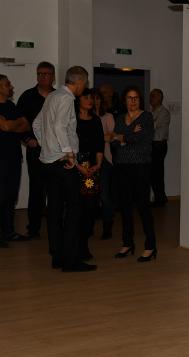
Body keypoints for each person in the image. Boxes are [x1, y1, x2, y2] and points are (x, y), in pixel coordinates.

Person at [33, 66, 96, 272]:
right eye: (85, 83)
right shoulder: (67, 98)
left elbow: (36, 124)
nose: (84, 87)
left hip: (48, 162)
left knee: (54, 210)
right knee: (74, 210)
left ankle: (58, 257)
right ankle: (70, 261)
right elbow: (60, 127)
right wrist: (68, 153)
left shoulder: (52, 96)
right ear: (79, 82)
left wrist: (46, 145)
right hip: (63, 162)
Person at [112, 87, 157, 262]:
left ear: (140, 100)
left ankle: (150, 246)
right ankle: (127, 243)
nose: (133, 101)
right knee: (125, 207)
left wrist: (122, 137)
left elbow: (143, 139)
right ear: (124, 101)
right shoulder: (119, 118)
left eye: (136, 98)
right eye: (129, 98)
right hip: (122, 166)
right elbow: (113, 143)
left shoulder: (146, 117)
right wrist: (129, 134)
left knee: (143, 206)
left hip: (140, 166)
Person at [17, 61, 56, 239]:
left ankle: (56, 226)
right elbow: (19, 123)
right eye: (39, 73)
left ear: (53, 76)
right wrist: (27, 139)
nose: (42, 77)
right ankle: (33, 228)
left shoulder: (58, 96)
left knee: (55, 189)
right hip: (35, 151)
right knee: (36, 189)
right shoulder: (27, 96)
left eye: (46, 73)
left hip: (56, 152)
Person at [0, 74, 30, 247]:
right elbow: (5, 126)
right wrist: (14, 124)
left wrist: (12, 124)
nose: (11, 86)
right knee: (1, 196)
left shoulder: (11, 106)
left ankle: (9, 232)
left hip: (14, 157)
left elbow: (25, 125)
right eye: (7, 84)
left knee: (11, 196)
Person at [75, 89, 104, 260]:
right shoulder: (72, 119)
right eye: (85, 97)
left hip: (92, 168)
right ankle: (75, 244)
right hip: (75, 166)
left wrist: (98, 164)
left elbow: (100, 143)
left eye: (91, 97)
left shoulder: (96, 120)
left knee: (90, 207)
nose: (90, 100)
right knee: (76, 208)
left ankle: (84, 243)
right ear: (78, 100)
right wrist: (78, 166)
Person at [92, 89, 117, 239]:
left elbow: (112, 137)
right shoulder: (83, 117)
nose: (95, 101)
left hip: (105, 160)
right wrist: (102, 137)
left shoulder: (108, 116)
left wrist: (95, 138)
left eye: (97, 98)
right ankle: (88, 226)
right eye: (92, 98)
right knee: (89, 193)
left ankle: (107, 225)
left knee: (104, 194)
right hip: (88, 161)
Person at [149, 88, 170, 207]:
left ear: (160, 98)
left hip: (159, 145)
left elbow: (152, 126)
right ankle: (159, 198)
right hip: (152, 145)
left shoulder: (164, 112)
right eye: (151, 96)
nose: (151, 98)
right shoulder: (150, 112)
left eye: (153, 96)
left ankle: (160, 199)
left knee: (157, 173)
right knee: (153, 173)